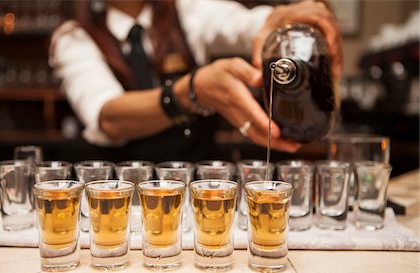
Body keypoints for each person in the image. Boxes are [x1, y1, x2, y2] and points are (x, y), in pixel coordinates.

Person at [50, 0, 342, 162]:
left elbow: (246, 24)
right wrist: (192, 91)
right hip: (120, 201)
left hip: (198, 196)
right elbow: (107, 116)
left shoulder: (187, 12)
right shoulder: (74, 37)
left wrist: (281, 18)